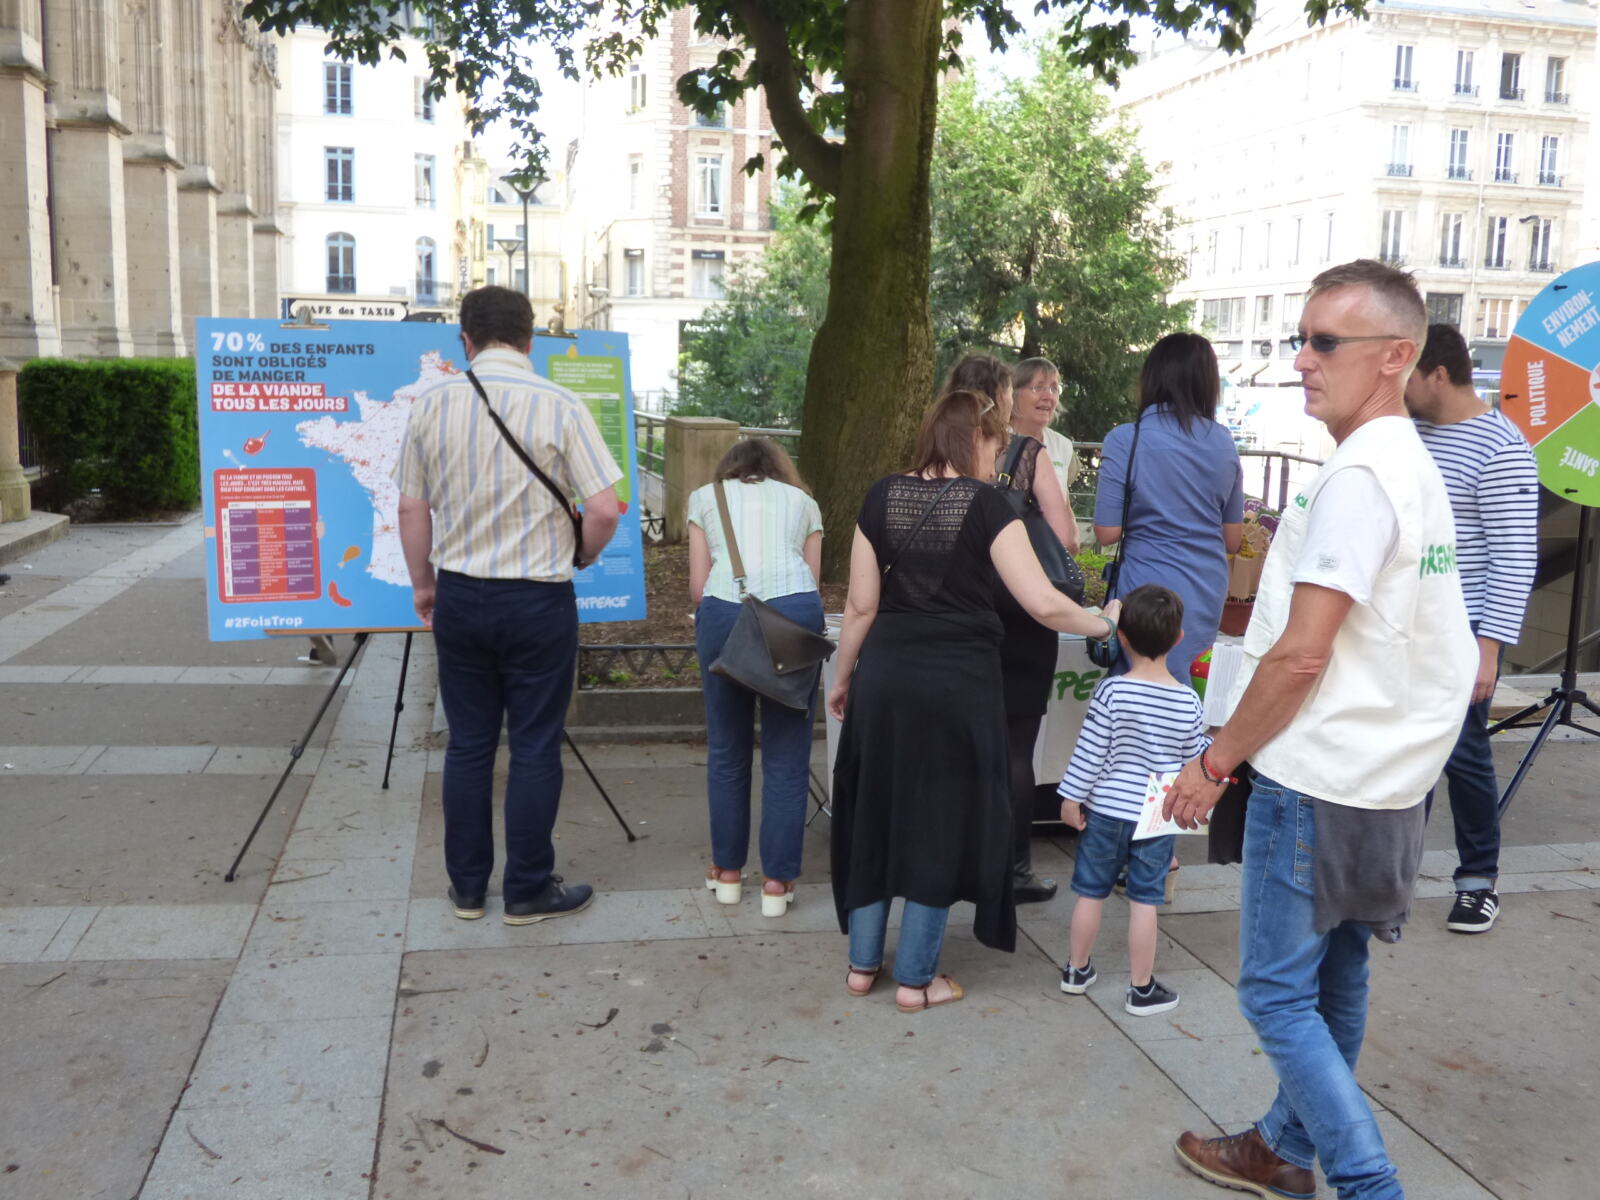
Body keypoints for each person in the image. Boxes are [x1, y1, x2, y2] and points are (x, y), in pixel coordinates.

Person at [1163, 261, 1475, 1200]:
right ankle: (1278, 1149)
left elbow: (1303, 654)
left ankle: (1366, 1182)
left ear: (1394, 358)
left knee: (1274, 995)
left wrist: (1216, 761)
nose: (1301, 359)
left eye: (1322, 342)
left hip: (1323, 779)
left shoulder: (1361, 479)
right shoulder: (1406, 467)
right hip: (1382, 780)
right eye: (1299, 338)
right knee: (1334, 988)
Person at [827, 389, 1121, 1015]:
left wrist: (844, 676)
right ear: (973, 441)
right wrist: (1104, 622)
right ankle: (915, 979)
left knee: (876, 810)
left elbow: (860, 606)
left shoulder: (880, 496)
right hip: (955, 684)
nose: (999, 459)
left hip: (885, 675)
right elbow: (1041, 602)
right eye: (994, 445)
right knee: (937, 819)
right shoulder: (987, 505)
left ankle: (862, 965)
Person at [395, 285, 622, 925]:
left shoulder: (431, 406)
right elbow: (604, 508)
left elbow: (412, 507)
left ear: (464, 340)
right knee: (533, 745)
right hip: (539, 600)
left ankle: (467, 889)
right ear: (530, 340)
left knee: (468, 744)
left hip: (462, 593)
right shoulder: (562, 405)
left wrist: (424, 584)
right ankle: (526, 890)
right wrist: (581, 556)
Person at [1404, 323, 1539, 934]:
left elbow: (1514, 555)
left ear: (1437, 373)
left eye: (1407, 373)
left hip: (1466, 629)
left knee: (1462, 754)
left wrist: (1488, 650)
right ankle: (1396, 873)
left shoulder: (1501, 447)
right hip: (1409, 623)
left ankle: (1478, 880)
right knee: (1409, 752)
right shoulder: (1414, 433)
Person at [687, 438, 824, 918]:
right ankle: (776, 882)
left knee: (727, 749)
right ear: (779, 469)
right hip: (793, 615)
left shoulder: (706, 498)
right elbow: (812, 575)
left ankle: (727, 874)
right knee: (788, 755)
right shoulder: (805, 503)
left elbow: (698, 586)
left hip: (726, 612)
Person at [1056, 584, 1205, 1016]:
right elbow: (1192, 764)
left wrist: (1071, 798)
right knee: (1145, 900)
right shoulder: (1188, 702)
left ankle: (1076, 971)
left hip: (1105, 809)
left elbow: (1091, 750)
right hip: (1156, 815)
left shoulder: (1112, 692)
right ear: (1178, 639)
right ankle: (1141, 989)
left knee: (1090, 892)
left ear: (1120, 636)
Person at [1095, 333, 1244, 678]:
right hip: (1206, 589)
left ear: (1151, 377)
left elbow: (1106, 532)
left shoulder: (1126, 439)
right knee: (1189, 686)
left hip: (1145, 588)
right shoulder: (1224, 442)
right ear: (1208, 383)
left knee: (1137, 687)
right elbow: (1232, 540)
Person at [998, 356, 1082, 903]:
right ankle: (1012, 868)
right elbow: (1067, 539)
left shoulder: (1062, 448)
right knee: (1015, 745)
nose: (1047, 395)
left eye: (1053, 387)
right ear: (1011, 395)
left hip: (977, 605)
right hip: (1027, 608)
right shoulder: (1027, 451)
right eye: (1035, 387)